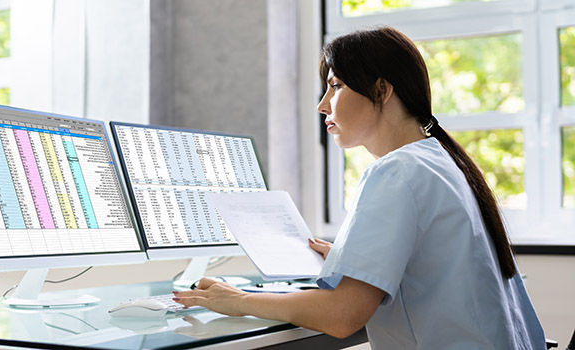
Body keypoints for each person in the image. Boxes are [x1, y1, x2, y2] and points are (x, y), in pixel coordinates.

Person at [173, 26, 546, 349]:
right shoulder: (441, 162)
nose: (322, 105)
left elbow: (342, 315)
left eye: (335, 86)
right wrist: (354, 257)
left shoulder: (396, 172)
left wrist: (238, 299)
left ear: (382, 90)